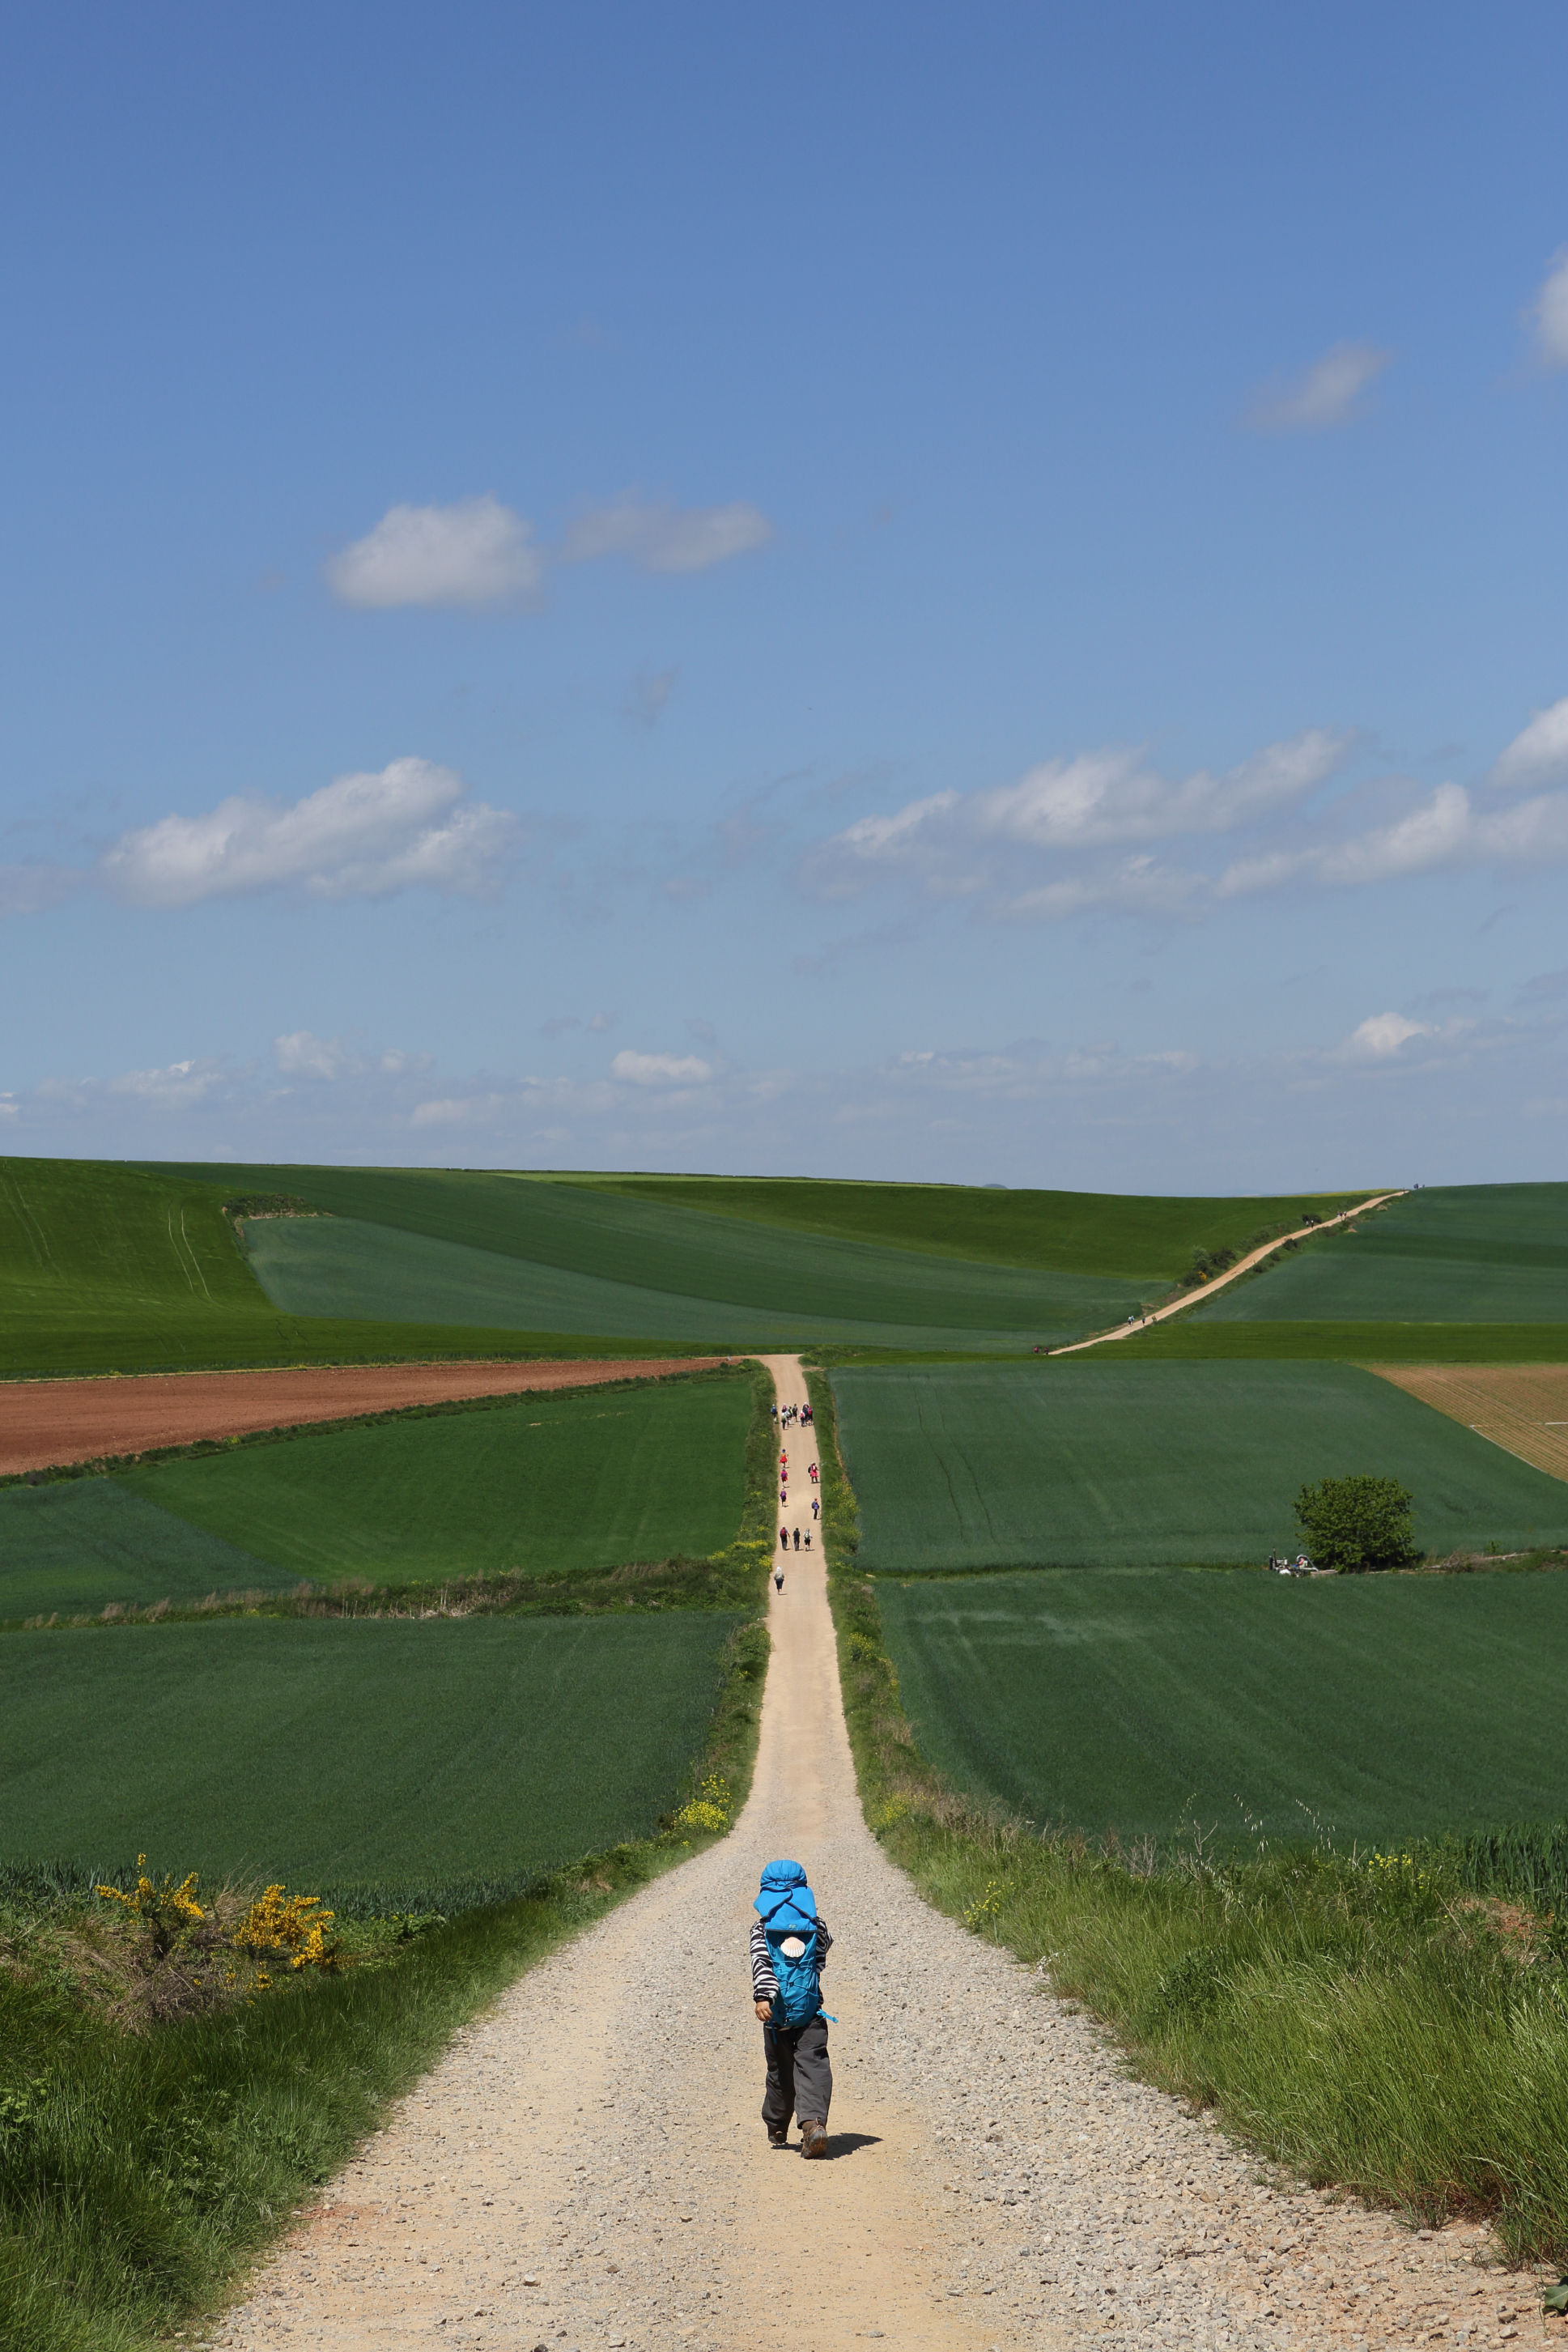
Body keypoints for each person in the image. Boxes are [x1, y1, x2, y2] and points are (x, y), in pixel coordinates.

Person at [751, 1859, 833, 2156]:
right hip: (811, 2011)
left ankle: (776, 2124)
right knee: (813, 2065)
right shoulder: (816, 1924)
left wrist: (763, 1996)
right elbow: (820, 1959)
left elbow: (761, 1963)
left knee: (780, 2072)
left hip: (775, 2014)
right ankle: (813, 2125)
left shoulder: (761, 1927)